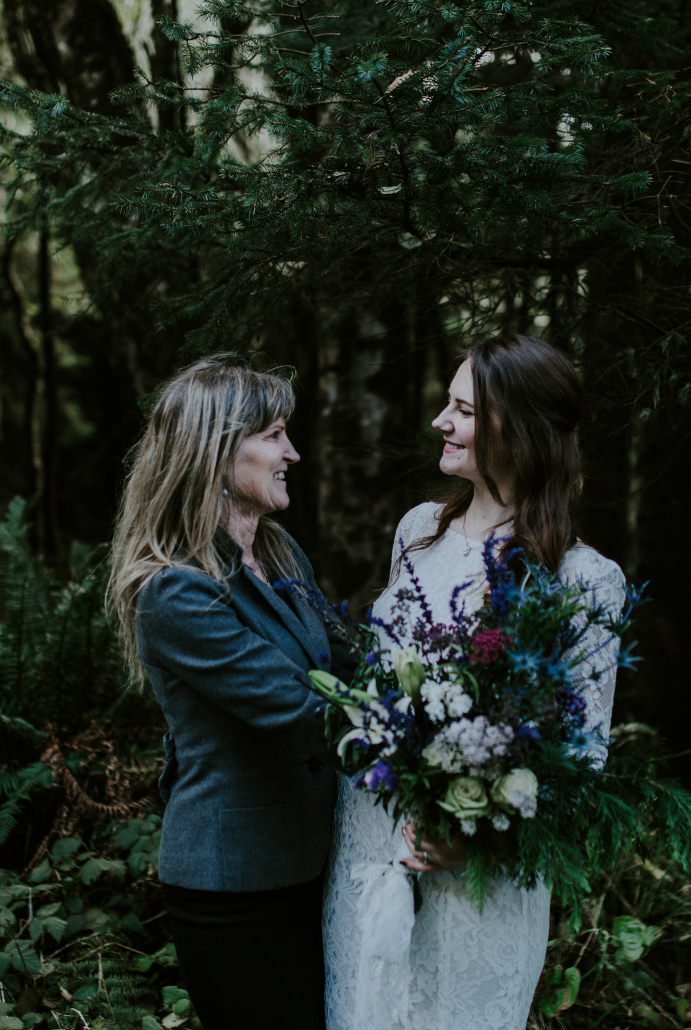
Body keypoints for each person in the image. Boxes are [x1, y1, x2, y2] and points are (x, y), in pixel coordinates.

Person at [322, 335, 628, 1030]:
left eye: (461, 408)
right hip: (372, 846)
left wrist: (477, 832)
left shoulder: (583, 581)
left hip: (478, 880)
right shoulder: (417, 531)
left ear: (515, 433)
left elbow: (583, 759)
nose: (439, 420)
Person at [107, 355, 341, 1030]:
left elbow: (345, 662)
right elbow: (297, 710)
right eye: (273, 435)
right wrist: (426, 758)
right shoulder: (175, 591)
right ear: (214, 450)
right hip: (235, 887)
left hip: (311, 863)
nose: (292, 452)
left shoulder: (280, 554)